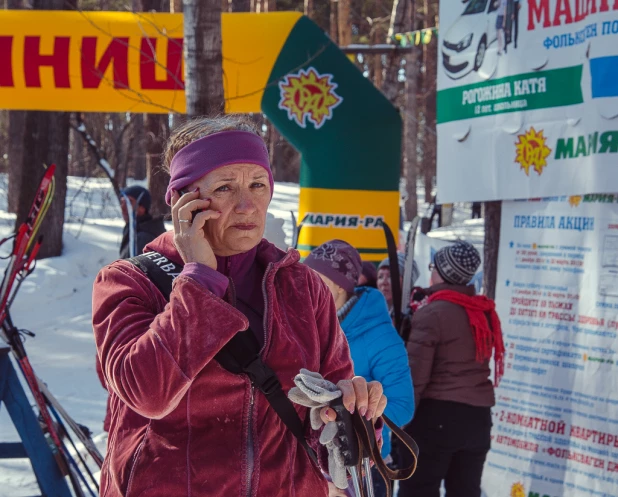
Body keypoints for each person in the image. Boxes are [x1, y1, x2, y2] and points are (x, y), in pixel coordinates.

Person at [92, 115, 387, 497]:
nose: (248, 205)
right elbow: (148, 392)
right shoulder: (131, 281)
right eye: (226, 187)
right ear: (185, 201)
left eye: (258, 185)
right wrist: (197, 280)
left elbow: (330, 416)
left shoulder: (302, 286)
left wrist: (355, 413)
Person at [304, 240, 414, 497]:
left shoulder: (379, 335)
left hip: (361, 465)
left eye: (315, 278)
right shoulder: (308, 325)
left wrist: (355, 421)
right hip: (312, 462)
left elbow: (402, 404)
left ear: (340, 285)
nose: (305, 285)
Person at [398, 241, 505, 497]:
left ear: (444, 273)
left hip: (437, 418)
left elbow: (416, 374)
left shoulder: (432, 312)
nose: (430, 271)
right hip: (478, 419)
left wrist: (399, 418)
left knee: (418, 489)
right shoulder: (483, 311)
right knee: (465, 491)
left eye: (433, 266)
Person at [118, 185, 165, 259]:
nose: (123, 207)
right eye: (122, 202)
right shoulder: (133, 229)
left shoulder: (144, 237)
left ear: (142, 207)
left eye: (129, 202)